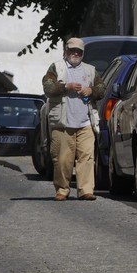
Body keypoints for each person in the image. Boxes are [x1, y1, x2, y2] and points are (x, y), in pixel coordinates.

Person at [43, 37, 103, 201]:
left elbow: (101, 88)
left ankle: (85, 190)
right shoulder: (57, 67)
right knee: (62, 159)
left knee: (87, 157)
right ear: (66, 51)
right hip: (63, 122)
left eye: (79, 51)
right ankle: (62, 189)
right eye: (72, 50)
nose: (75, 54)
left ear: (83, 53)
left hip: (85, 122)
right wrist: (65, 87)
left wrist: (91, 90)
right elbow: (48, 87)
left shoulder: (90, 70)